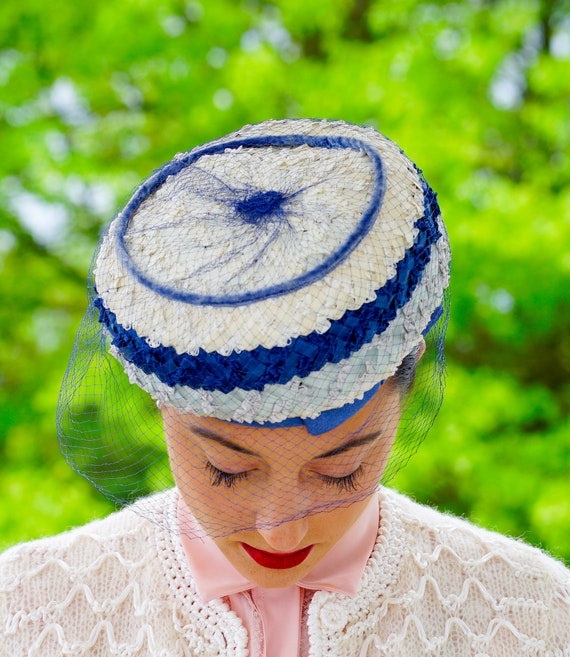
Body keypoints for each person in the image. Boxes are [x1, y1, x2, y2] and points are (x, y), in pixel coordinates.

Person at [1, 119, 568, 657]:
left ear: (409, 378)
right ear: (157, 396)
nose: (279, 530)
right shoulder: (24, 611)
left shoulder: (534, 614)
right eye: (226, 468)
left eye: (341, 468)